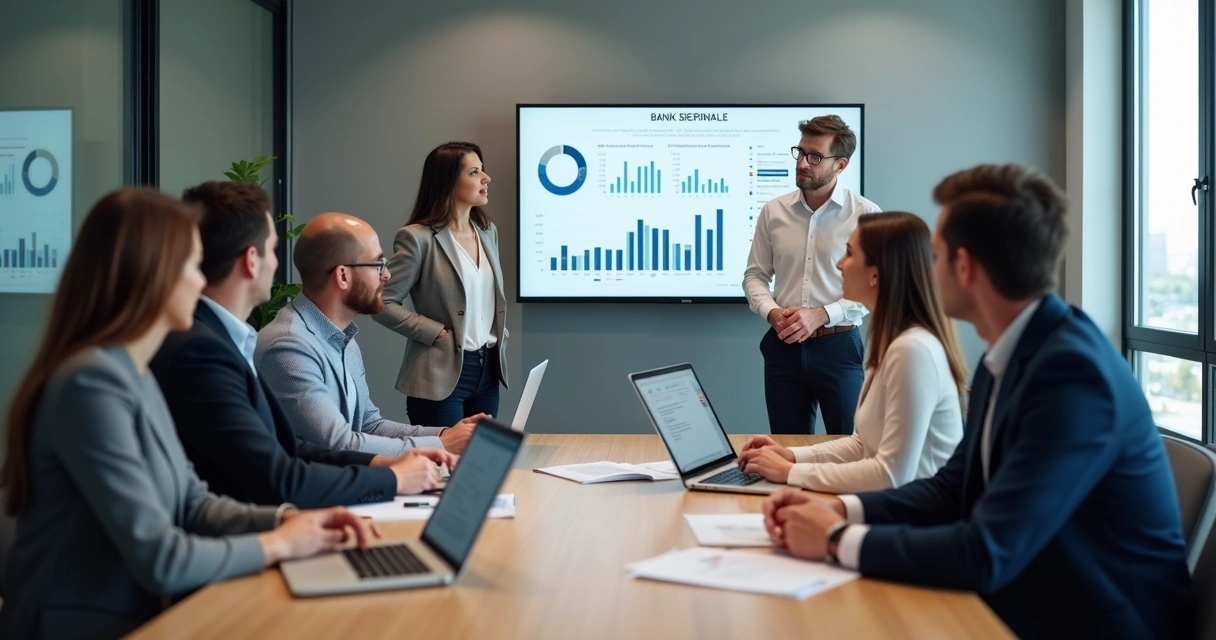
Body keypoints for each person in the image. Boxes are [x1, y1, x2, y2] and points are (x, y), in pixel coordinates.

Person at [761, 164, 1194, 639]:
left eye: (936, 255)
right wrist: (843, 512)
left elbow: (986, 552)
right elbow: (953, 488)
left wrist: (836, 539)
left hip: (1092, 620)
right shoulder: (1009, 355)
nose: (926, 268)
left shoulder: (1072, 375)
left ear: (965, 268)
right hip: (1032, 592)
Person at [0, 189, 375, 640]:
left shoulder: (132, 371)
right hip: (88, 623)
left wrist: (286, 520)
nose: (201, 283)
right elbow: (162, 558)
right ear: (151, 276)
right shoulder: (90, 383)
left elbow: (193, 502)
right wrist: (279, 544)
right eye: (190, 267)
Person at [151, 181, 454, 509]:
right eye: (272, 249)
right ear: (252, 261)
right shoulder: (228, 348)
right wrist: (398, 474)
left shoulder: (230, 341)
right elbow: (287, 467)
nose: (278, 265)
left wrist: (399, 458)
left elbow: (289, 448)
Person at [737, 212, 966, 493]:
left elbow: (890, 475)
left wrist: (791, 472)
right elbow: (862, 444)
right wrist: (791, 455)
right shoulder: (892, 343)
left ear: (875, 274)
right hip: (895, 510)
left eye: (849, 253)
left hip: (917, 520)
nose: (839, 264)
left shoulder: (913, 351)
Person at [257, 212, 482, 456]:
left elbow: (369, 425)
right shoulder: (288, 346)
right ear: (343, 276)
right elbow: (338, 445)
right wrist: (442, 446)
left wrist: (445, 434)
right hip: (308, 494)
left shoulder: (343, 339)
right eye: (378, 264)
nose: (387, 275)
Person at [743, 115, 881, 436]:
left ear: (841, 165)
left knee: (849, 446)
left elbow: (875, 287)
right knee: (787, 450)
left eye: (815, 157)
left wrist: (821, 315)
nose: (803, 163)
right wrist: (772, 312)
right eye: (800, 152)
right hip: (783, 346)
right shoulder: (773, 212)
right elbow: (754, 276)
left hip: (839, 347)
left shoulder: (866, 215)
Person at [372, 141, 509, 427]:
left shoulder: (487, 231)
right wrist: (433, 332)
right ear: (448, 182)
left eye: (482, 170)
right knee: (442, 467)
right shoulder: (417, 238)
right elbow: (380, 302)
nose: (486, 178)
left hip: (487, 369)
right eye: (474, 172)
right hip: (438, 373)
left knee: (479, 462)